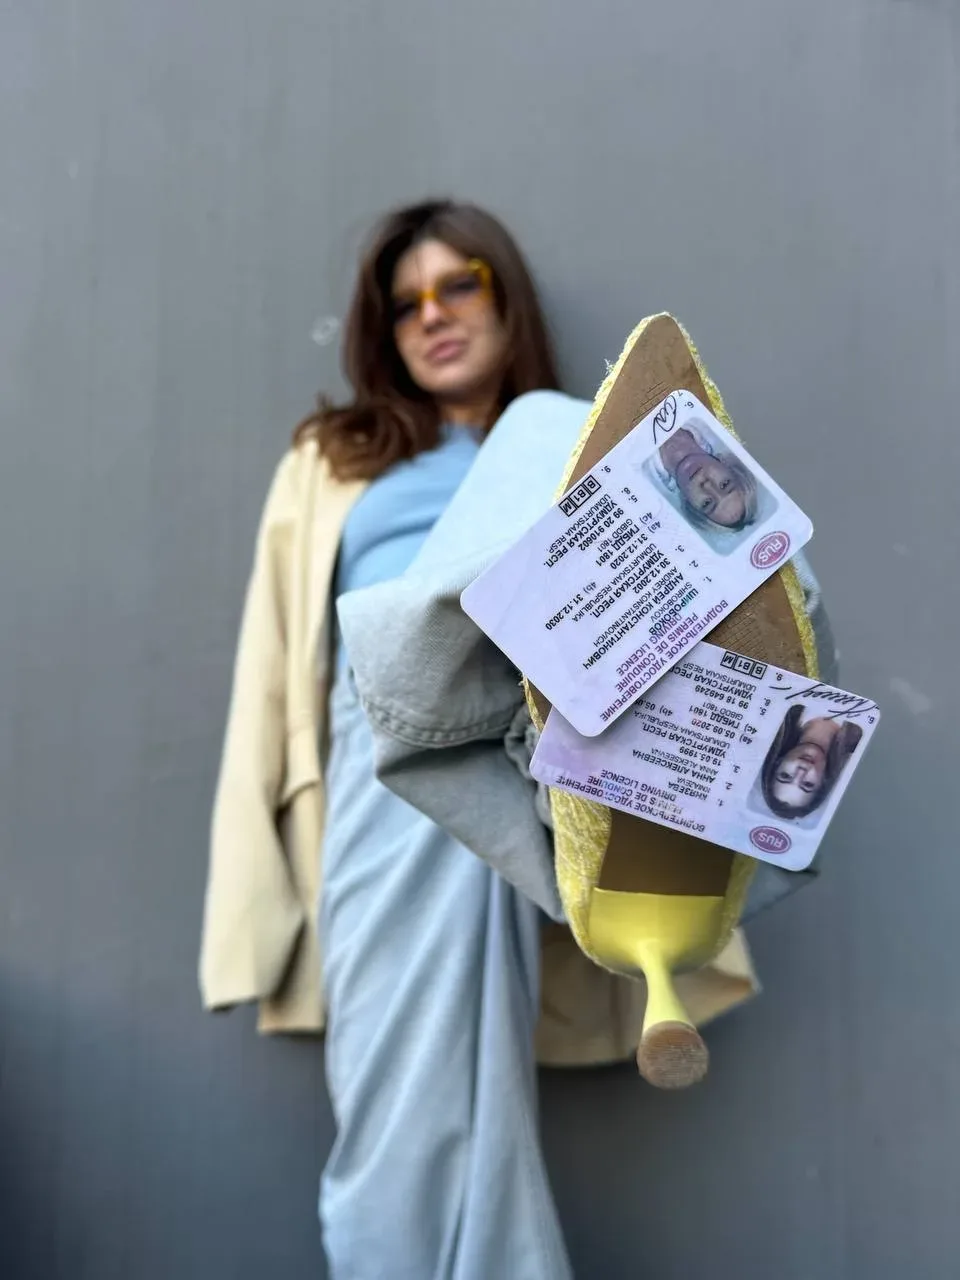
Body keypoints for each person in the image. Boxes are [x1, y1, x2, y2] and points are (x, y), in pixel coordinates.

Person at [202, 199, 574, 1279]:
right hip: (379, 781)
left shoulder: (566, 444)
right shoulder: (334, 460)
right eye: (405, 302)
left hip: (517, 773)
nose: (433, 316)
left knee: (488, 1097)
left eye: (459, 285)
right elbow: (275, 669)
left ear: (506, 296)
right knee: (390, 1095)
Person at [761, 705, 863, 820]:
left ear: (777, 763)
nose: (802, 770)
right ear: (824, 781)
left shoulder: (784, 710)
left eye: (785, 775)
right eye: (808, 784)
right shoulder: (859, 741)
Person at [655, 421, 759, 530]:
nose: (707, 485)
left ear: (690, 505)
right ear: (727, 465)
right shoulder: (713, 420)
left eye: (707, 503)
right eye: (724, 484)